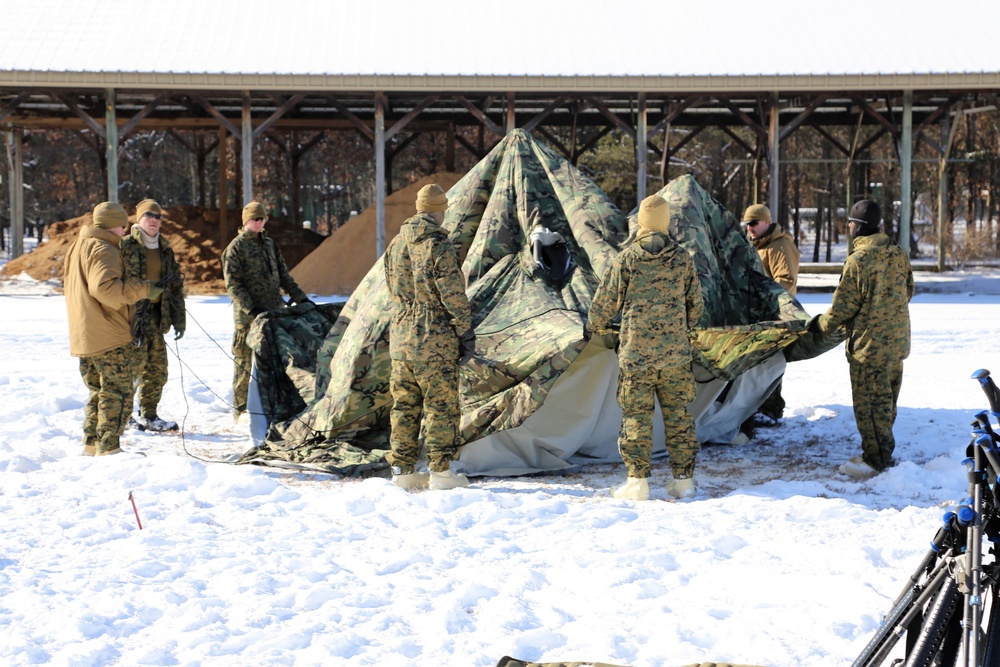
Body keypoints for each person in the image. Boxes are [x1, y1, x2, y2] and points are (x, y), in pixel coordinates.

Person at [588, 194, 706, 500]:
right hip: (676, 357)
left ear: (641, 221)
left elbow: (602, 308)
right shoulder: (682, 259)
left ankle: (637, 482)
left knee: (636, 418)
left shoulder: (626, 259)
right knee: (679, 417)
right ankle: (684, 480)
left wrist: (596, 326)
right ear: (666, 222)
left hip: (636, 357)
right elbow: (696, 309)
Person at [813, 199, 914, 479]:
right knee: (886, 403)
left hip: (869, 348)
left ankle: (875, 460)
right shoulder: (897, 253)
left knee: (870, 406)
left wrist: (818, 327)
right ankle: (882, 453)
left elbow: (843, 307)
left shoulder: (859, 261)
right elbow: (908, 289)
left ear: (858, 227)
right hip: (896, 343)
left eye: (851, 224)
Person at [383, 183, 473, 491]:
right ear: (440, 211)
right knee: (440, 408)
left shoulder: (395, 244)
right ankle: (441, 473)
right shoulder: (438, 245)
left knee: (404, 407)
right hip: (434, 342)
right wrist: (464, 330)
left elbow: (391, 288)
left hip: (400, 340)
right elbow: (453, 295)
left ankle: (403, 471)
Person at [64, 201, 164, 456]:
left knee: (99, 391)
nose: (125, 231)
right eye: (124, 226)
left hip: (86, 333)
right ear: (115, 225)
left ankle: (92, 443)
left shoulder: (79, 245)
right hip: (108, 333)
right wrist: (143, 289)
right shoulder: (103, 248)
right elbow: (105, 290)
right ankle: (110, 448)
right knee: (117, 391)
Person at [221, 201, 310, 420]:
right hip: (248, 318)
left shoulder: (269, 245)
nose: (259, 223)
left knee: (276, 362)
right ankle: (241, 409)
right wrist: (251, 308)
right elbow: (233, 285)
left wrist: (300, 298)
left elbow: (283, 275)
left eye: (262, 219)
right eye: (255, 219)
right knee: (244, 362)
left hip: (273, 314)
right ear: (246, 221)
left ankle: (276, 405)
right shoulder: (236, 248)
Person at [120, 198, 186, 432]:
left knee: (158, 369)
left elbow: (175, 285)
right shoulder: (125, 245)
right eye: (149, 215)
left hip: (158, 317)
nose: (154, 220)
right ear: (138, 219)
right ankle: (123, 415)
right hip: (132, 318)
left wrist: (179, 319)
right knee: (132, 369)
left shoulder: (165, 249)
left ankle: (149, 414)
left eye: (158, 217)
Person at [743, 203, 800, 427]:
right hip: (757, 315)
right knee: (758, 365)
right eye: (747, 224)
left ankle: (771, 409)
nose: (749, 228)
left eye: (754, 223)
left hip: (773, 315)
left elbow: (785, 281)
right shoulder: (757, 245)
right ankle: (760, 407)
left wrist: (764, 302)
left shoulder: (780, 245)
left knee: (771, 363)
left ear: (766, 222)